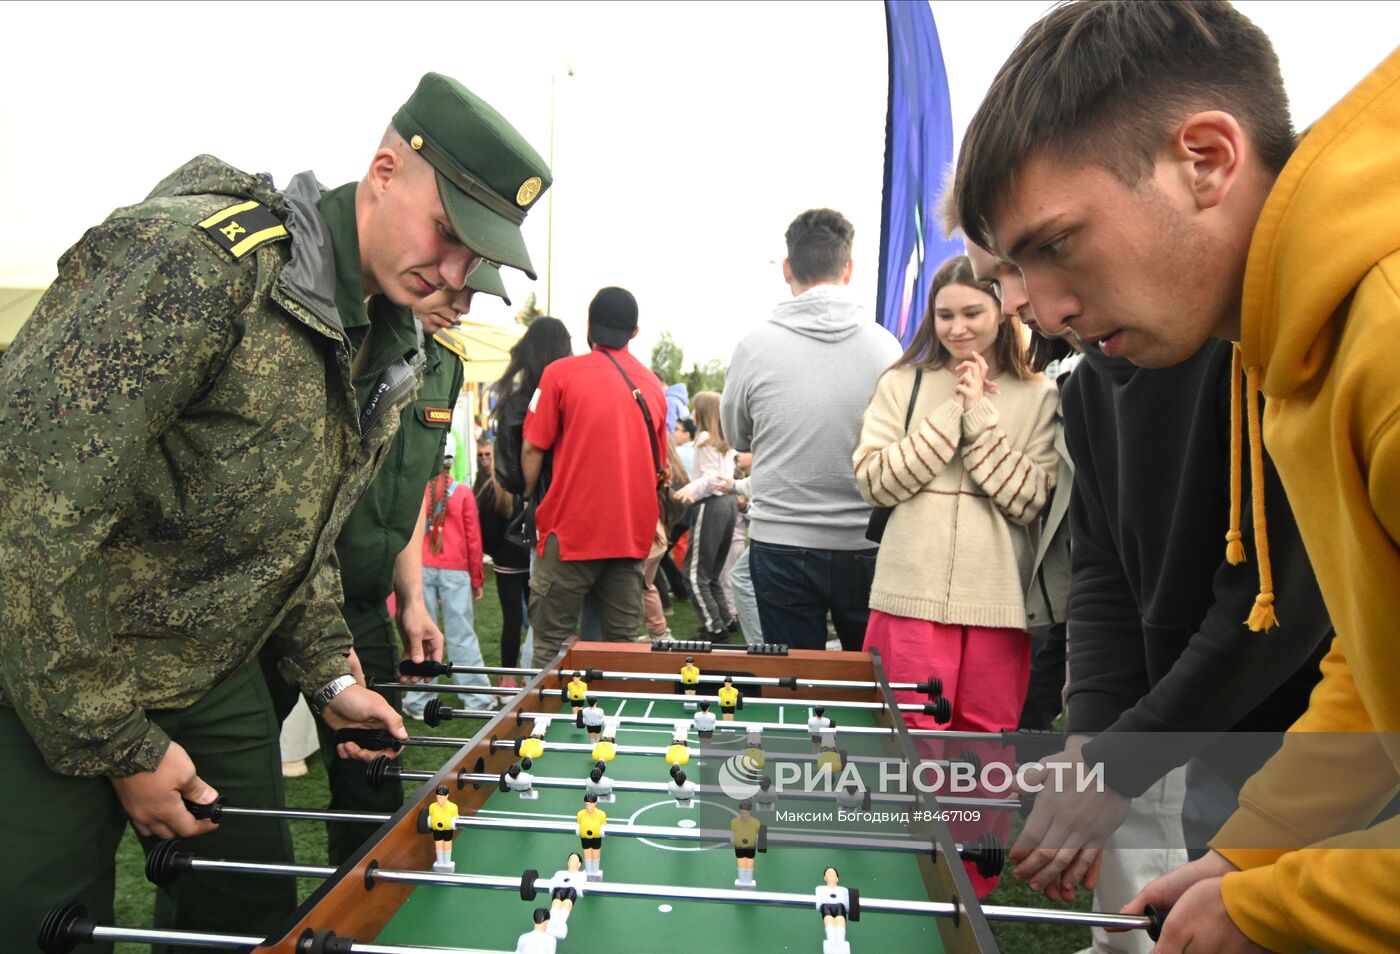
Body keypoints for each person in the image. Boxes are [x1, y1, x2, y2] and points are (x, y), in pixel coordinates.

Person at [0, 71, 548, 951]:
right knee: (43, 928)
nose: (453, 273)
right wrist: (119, 744)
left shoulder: (387, 336)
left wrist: (332, 680)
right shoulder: (195, 264)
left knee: (251, 918)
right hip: (50, 665)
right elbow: (25, 510)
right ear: (382, 172)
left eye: (475, 258)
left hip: (207, 667)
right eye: (448, 233)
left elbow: (297, 532)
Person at [954, 3, 1400, 951]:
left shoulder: (1387, 346)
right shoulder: (1298, 347)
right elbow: (1380, 657)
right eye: (1018, 269)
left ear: (1206, 159)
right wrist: (1259, 849)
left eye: (1058, 243)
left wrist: (1284, 902)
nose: (1042, 308)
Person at [854, 253, 1057, 896]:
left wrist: (983, 420)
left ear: (1003, 311)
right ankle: (893, 872)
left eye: (973, 312)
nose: (958, 327)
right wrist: (951, 415)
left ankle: (968, 888)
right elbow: (876, 481)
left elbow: (1032, 500)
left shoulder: (1040, 393)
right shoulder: (900, 383)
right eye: (945, 314)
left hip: (998, 605)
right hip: (908, 596)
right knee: (905, 744)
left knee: (981, 756)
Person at [722, 209, 902, 650]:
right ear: (849, 269)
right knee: (872, 682)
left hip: (781, 536)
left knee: (793, 684)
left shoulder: (754, 346)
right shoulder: (886, 347)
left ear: (788, 270)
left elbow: (735, 432)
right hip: (866, 538)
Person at [522, 287, 667, 662]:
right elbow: (659, 468)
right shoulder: (653, 386)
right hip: (630, 534)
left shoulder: (560, 374)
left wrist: (527, 497)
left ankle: (544, 720)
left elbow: (532, 448)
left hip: (570, 531)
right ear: (634, 332)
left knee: (550, 649)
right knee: (620, 651)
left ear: (589, 325)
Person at [401, 454, 493, 715]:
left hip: (420, 569)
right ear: (452, 463)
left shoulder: (419, 491)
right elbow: (473, 539)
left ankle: (418, 702)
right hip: (455, 571)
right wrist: (477, 579)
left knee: (419, 636)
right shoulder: (462, 492)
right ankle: (477, 700)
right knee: (462, 634)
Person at [675, 391, 740, 640]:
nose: (691, 414)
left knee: (693, 574)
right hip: (728, 504)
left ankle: (715, 627)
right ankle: (725, 619)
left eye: (695, 409)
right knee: (712, 572)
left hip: (711, 505)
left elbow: (709, 478)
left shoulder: (704, 438)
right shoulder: (724, 441)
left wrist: (689, 489)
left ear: (703, 412)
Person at [477, 447, 532, 686]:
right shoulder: (531, 484)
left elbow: (486, 533)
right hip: (528, 563)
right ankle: (531, 674)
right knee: (537, 620)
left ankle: (508, 677)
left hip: (507, 564)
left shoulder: (492, 489)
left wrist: (497, 554)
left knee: (512, 621)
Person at [546, 852, 585, 939]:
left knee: (568, 900)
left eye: (574, 859)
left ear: (579, 864)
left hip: (570, 892)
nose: (571, 860)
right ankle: (551, 924)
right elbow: (553, 881)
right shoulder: (559, 873)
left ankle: (560, 924)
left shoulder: (581, 875)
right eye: (570, 859)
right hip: (559, 891)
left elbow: (580, 885)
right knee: (556, 902)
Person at [427, 784, 459, 873]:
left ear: (447, 796)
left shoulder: (453, 807)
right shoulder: (432, 807)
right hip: (437, 829)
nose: (439, 800)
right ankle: (440, 862)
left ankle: (447, 862)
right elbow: (430, 817)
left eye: (441, 798)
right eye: (437, 798)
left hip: (448, 829)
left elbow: (455, 819)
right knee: (438, 844)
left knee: (447, 844)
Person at [731, 800, 763, 887]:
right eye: (742, 812)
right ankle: (741, 879)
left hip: (751, 846)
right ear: (739, 811)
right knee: (740, 860)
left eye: (746, 812)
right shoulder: (734, 822)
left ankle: (748, 879)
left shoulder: (756, 822)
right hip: (739, 845)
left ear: (750, 811)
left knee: (749, 861)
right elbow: (733, 833)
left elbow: (757, 834)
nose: (744, 815)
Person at [577, 793, 607, 879]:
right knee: (587, 854)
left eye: (589, 805)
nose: (587, 807)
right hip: (585, 838)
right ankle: (589, 872)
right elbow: (579, 823)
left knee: (595, 854)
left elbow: (604, 825)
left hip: (596, 837)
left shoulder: (601, 814)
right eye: (586, 804)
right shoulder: (580, 814)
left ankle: (595, 871)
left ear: (595, 804)